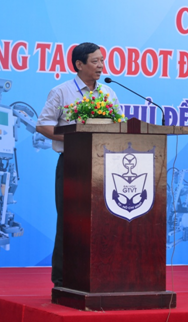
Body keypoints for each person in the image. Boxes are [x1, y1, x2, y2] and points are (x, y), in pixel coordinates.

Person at [36, 42, 120, 288]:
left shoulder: (108, 93)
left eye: (102, 60)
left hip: (104, 167)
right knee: (70, 221)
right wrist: (76, 138)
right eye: (95, 61)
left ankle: (102, 274)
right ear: (79, 64)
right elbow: (43, 125)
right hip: (73, 166)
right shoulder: (61, 92)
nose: (100, 66)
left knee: (105, 221)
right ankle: (63, 279)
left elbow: (119, 125)